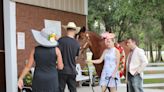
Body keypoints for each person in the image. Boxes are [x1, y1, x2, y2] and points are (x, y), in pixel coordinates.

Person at [18, 28, 64, 92]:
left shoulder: (35, 50)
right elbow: (60, 67)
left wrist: (20, 78)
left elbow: (28, 66)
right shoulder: (56, 50)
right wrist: (53, 66)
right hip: (52, 79)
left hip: (38, 79)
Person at [58, 22, 80, 92]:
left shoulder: (61, 41)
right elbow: (75, 58)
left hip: (62, 70)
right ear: (74, 31)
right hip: (72, 71)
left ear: (67, 30)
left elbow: (57, 55)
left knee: (60, 89)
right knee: (73, 90)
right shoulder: (77, 44)